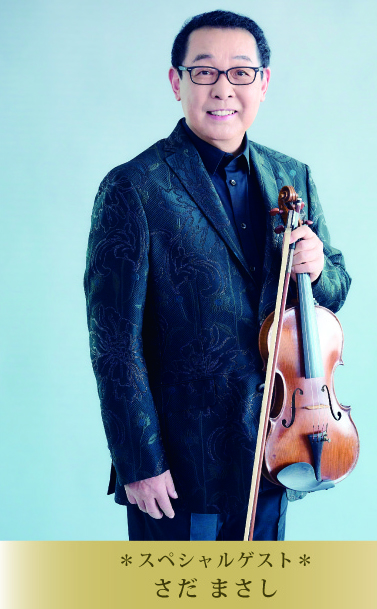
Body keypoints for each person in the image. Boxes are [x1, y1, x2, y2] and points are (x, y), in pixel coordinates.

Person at [84, 10, 351, 541]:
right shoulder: (133, 187)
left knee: (255, 581)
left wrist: (319, 268)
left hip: (278, 446)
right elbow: (113, 344)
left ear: (263, 83)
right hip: (181, 462)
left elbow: (335, 291)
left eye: (241, 72)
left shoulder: (291, 175)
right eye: (204, 71)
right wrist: (139, 461)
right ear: (176, 82)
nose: (223, 88)